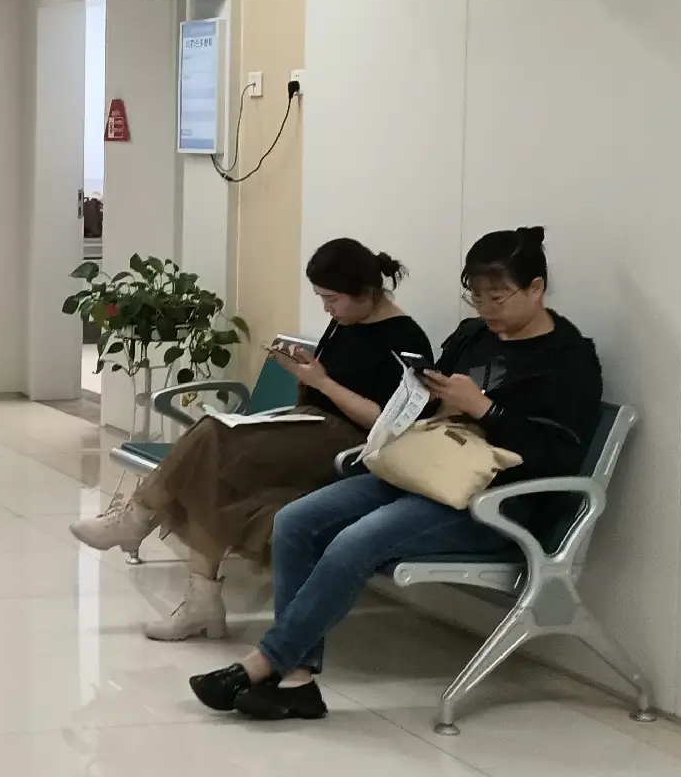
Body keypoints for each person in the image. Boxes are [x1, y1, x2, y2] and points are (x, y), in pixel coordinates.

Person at [191, 226, 602, 722]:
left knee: (353, 541)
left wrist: (486, 410)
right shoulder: (472, 336)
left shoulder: (569, 359)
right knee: (295, 521)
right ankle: (296, 679)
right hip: (426, 471)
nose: (485, 309)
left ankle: (264, 662)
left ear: (536, 288)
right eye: (476, 297)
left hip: (493, 501)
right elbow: (429, 407)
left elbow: (558, 454)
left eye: (497, 297)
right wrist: (423, 394)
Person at [70, 239, 430, 640]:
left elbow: (387, 420)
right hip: (309, 426)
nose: (327, 309)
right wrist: (303, 371)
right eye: (321, 299)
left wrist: (321, 382)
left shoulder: (405, 338)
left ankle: (137, 519)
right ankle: (200, 599)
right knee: (211, 467)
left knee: (212, 435)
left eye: (332, 299)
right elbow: (325, 381)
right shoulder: (346, 323)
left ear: (365, 292)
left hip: (349, 445)